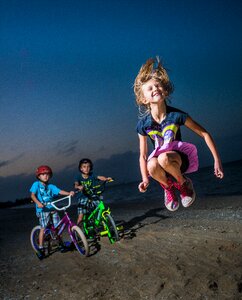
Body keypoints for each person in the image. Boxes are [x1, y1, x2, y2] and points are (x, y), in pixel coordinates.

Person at [134, 57, 224, 212]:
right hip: (161, 167)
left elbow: (204, 134)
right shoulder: (143, 125)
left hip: (178, 160)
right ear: (144, 99)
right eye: (150, 88)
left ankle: (183, 184)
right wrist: (144, 179)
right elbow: (143, 155)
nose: (155, 88)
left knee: (163, 158)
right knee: (151, 164)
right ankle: (168, 187)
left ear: (165, 90)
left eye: (158, 85)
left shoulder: (176, 116)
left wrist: (217, 161)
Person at [30, 165, 74, 259]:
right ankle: (41, 248)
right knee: (43, 228)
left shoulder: (51, 186)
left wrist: (68, 193)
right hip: (42, 210)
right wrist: (38, 203)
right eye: (43, 174)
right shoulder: (36, 184)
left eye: (47, 174)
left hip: (52, 208)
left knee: (57, 227)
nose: (45, 176)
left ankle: (60, 244)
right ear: (38, 176)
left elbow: (59, 191)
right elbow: (33, 195)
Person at [74, 158, 112, 225]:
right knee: (80, 217)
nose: (86, 168)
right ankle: (77, 231)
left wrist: (106, 179)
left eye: (88, 166)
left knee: (100, 206)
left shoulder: (92, 175)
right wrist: (78, 186)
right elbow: (76, 184)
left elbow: (99, 177)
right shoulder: (78, 177)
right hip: (83, 197)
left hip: (92, 195)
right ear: (81, 169)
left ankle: (104, 221)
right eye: (84, 167)